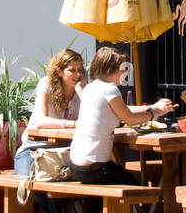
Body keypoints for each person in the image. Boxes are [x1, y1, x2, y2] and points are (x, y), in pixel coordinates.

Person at [68, 46, 174, 185]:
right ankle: (147, 206)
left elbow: (122, 109)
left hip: (76, 165)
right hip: (94, 166)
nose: (125, 71)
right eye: (123, 68)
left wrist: (152, 107)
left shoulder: (91, 87)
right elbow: (129, 118)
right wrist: (156, 112)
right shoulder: (109, 89)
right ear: (108, 69)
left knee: (123, 176)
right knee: (136, 188)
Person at [14, 48, 86, 177]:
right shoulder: (46, 84)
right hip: (34, 150)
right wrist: (73, 124)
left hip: (64, 152)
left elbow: (91, 120)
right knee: (34, 182)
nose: (78, 75)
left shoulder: (81, 91)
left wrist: (81, 92)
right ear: (59, 72)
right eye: (72, 70)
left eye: (80, 70)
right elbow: (40, 121)